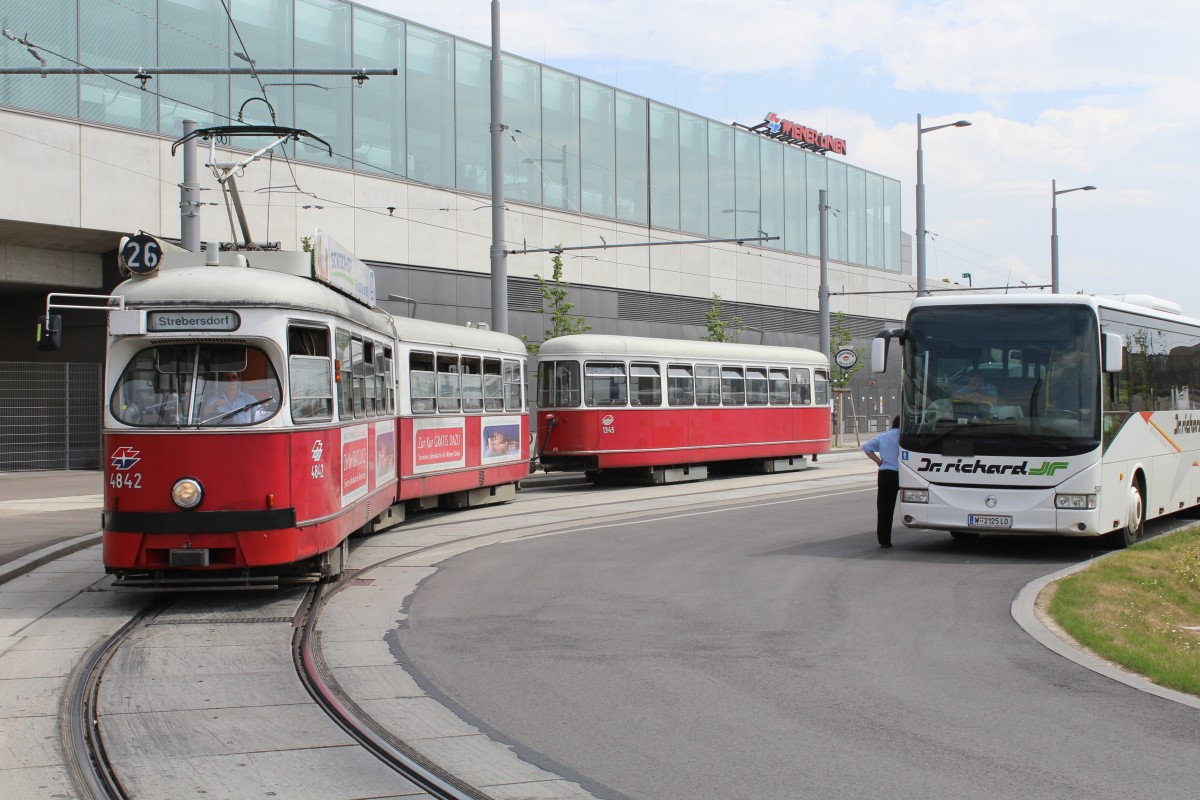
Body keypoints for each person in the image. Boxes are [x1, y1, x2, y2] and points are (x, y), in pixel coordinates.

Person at [863, 416, 901, 548]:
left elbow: (867, 447)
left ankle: (884, 540)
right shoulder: (905, 437)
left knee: (884, 509)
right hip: (903, 474)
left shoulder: (883, 436)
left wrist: (878, 461)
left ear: (893, 424)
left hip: (885, 474)